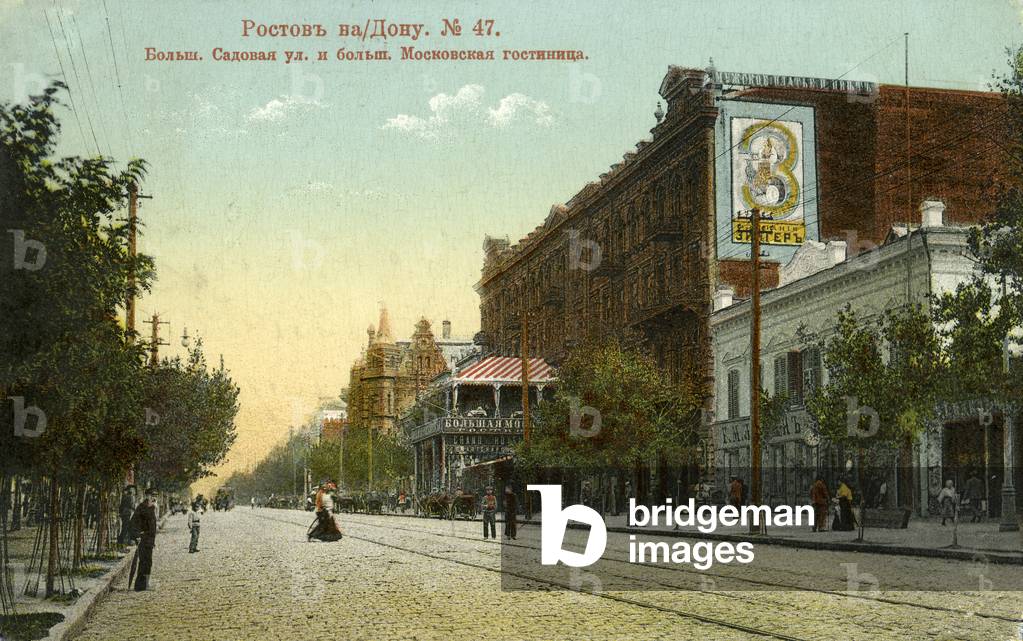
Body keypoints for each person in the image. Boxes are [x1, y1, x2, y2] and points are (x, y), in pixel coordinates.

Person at [131, 488, 159, 591]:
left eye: (156, 495)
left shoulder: (152, 508)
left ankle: (146, 584)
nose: (154, 497)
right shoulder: (141, 508)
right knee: (143, 561)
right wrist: (137, 535)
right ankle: (140, 585)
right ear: (146, 496)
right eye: (152, 495)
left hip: (150, 539)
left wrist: (153, 540)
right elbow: (134, 522)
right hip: (143, 538)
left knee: (148, 561)